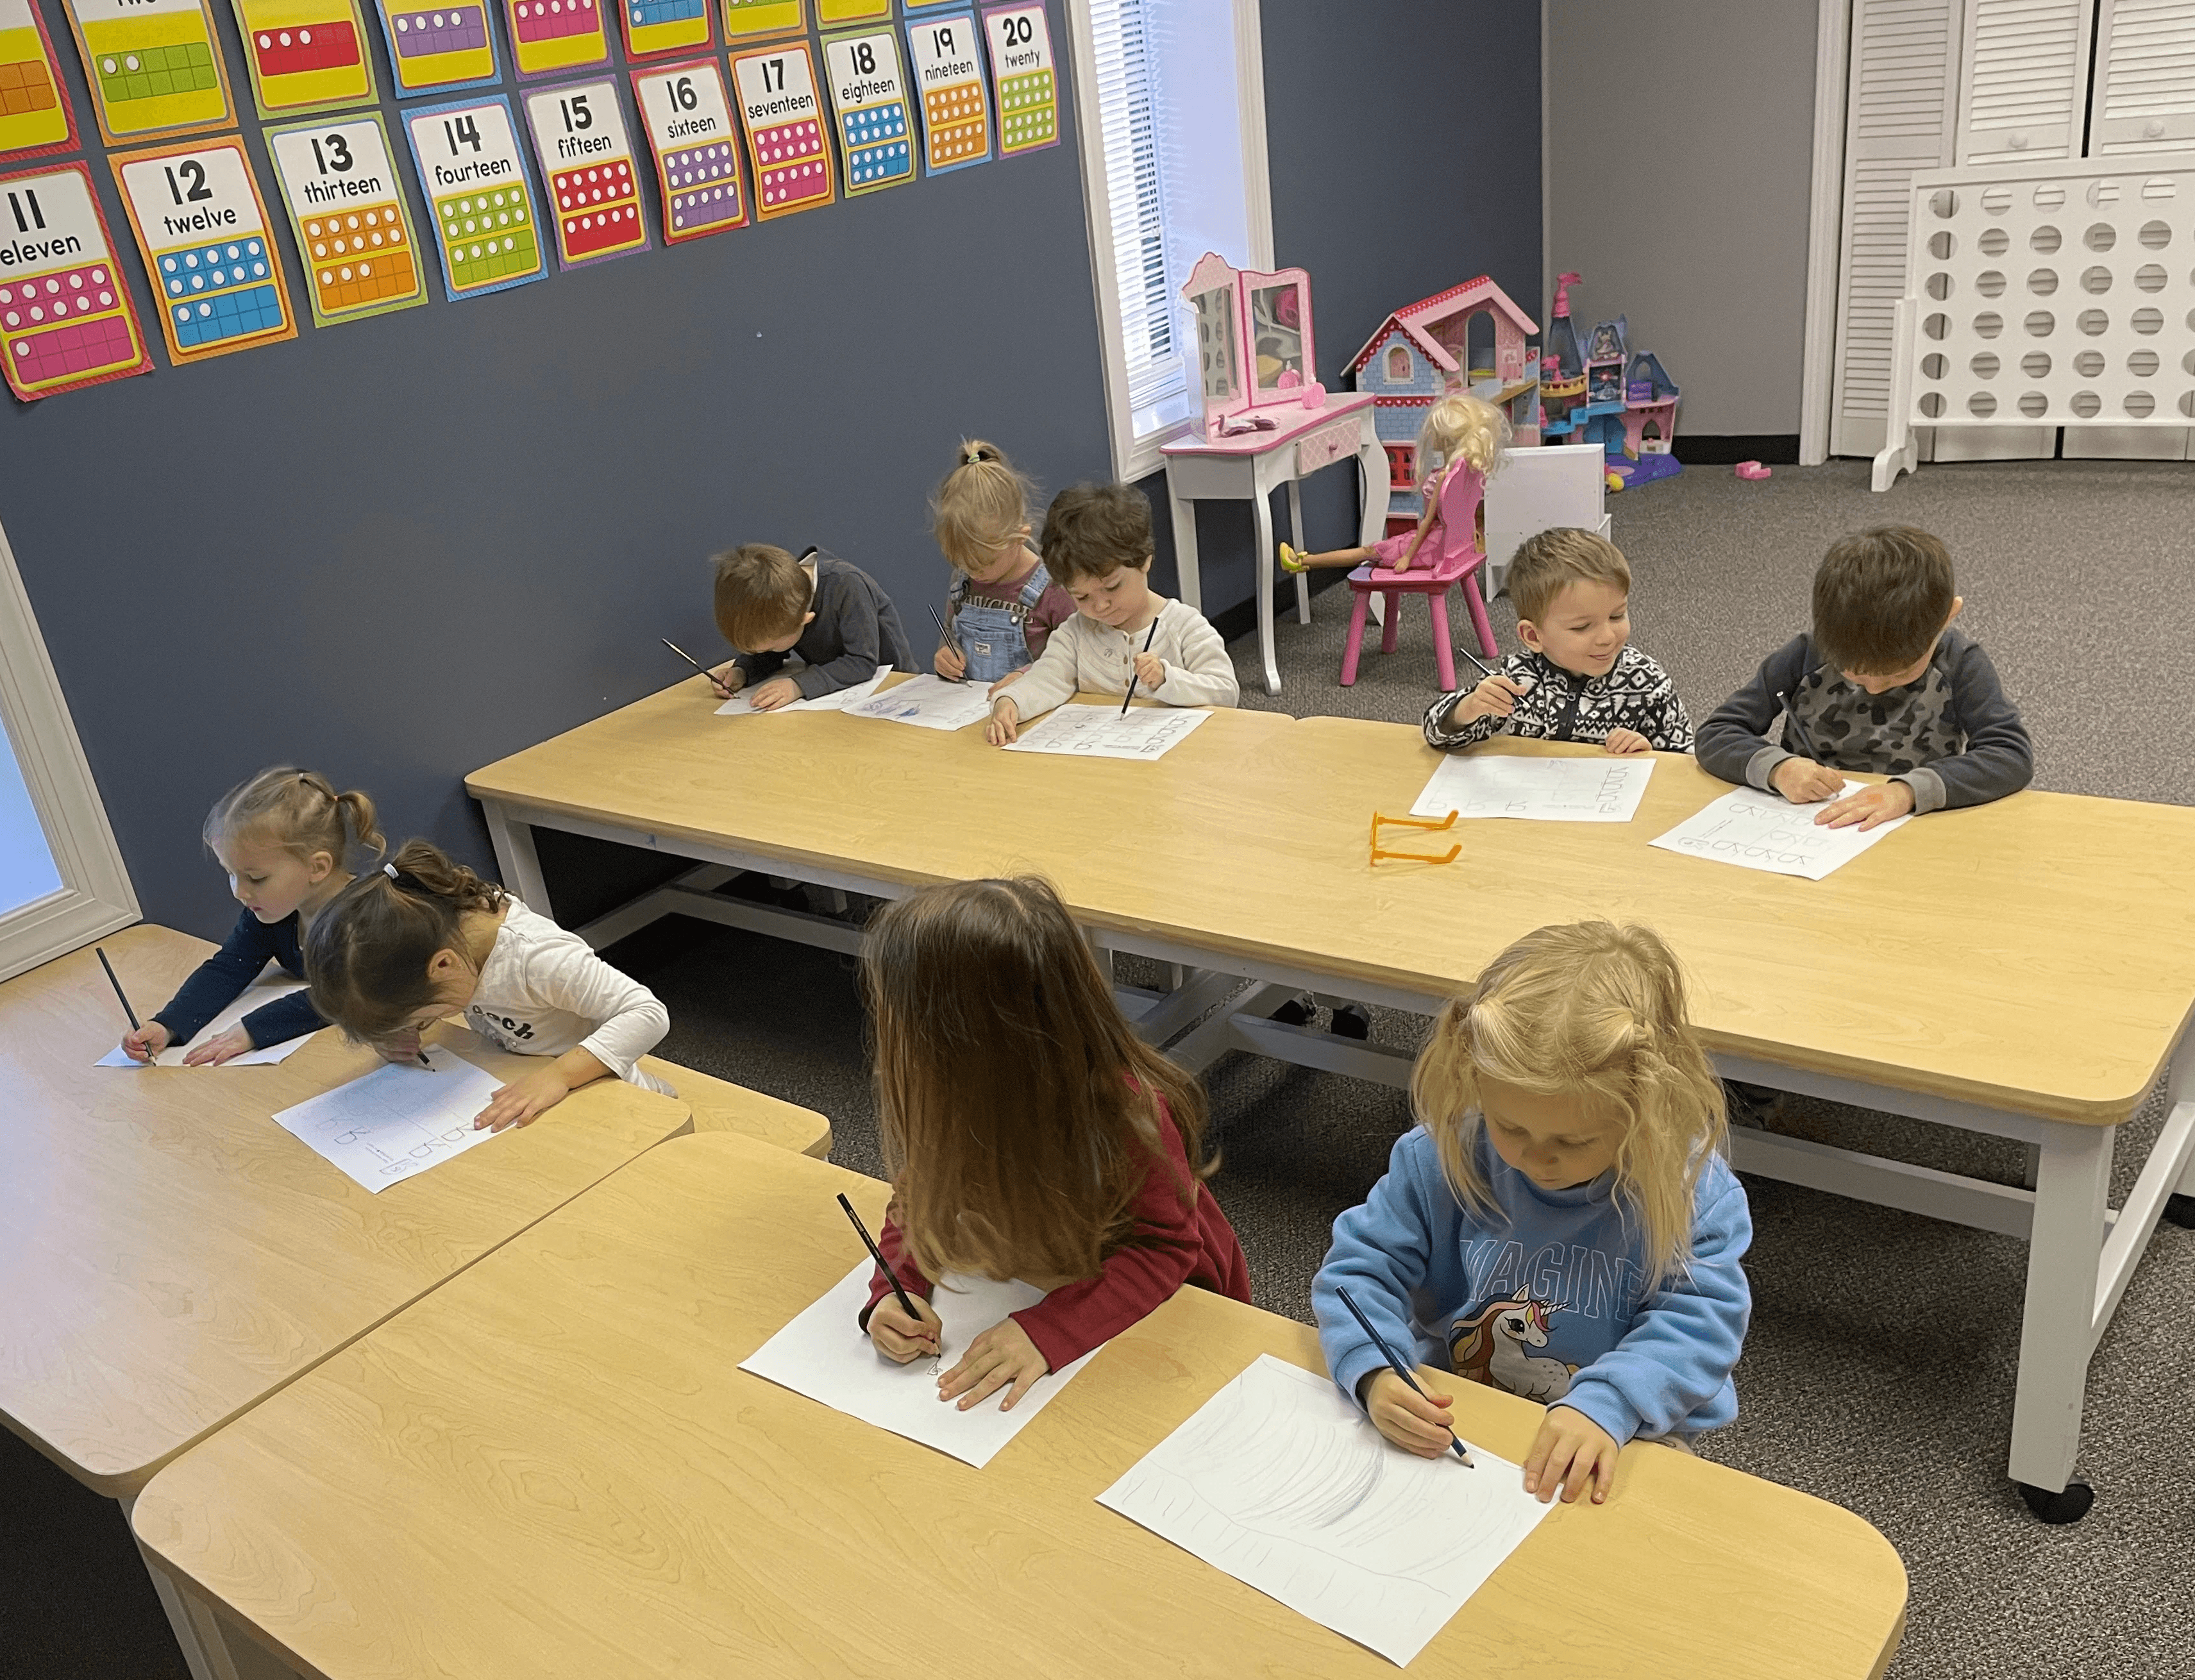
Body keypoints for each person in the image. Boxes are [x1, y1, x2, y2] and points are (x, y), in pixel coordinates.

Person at [1314, 921, 1751, 1506]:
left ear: (1649, 1107)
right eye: (1510, 1127)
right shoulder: (1441, 1156)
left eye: (1574, 1142)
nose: (1535, 1158)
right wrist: (1374, 1370)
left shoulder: (1690, 1189)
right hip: (1462, 1407)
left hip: (1628, 1425)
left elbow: (1699, 1327)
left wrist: (1610, 1404)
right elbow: (1358, 1273)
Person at [857, 876, 1252, 1410]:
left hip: (1163, 1311)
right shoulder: (952, 1092)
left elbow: (1166, 1248)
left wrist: (1048, 1330)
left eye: (904, 1021)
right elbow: (919, 1199)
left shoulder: (1124, 1114)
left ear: (972, 1039)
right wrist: (892, 1292)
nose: (893, 1037)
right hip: (1036, 1275)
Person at [304, 839, 674, 1132]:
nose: (421, 1025)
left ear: (443, 965)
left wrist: (560, 1075)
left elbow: (647, 1013)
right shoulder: (439, 942)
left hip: (605, 1087)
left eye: (420, 1018)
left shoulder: (534, 959)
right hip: (524, 1080)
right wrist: (395, 1033)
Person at [1696, 525, 2031, 830]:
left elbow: (2010, 755)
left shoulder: (1960, 663)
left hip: (1916, 829)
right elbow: (1717, 734)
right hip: (1810, 828)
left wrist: (1908, 792)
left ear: (1947, 618)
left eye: (1898, 673)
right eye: (1853, 672)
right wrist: (1777, 769)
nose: (1872, 687)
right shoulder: (1806, 655)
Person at [124, 768, 382, 1064]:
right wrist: (168, 1025)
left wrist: (252, 1030)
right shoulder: (274, 913)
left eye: (256, 878)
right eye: (231, 875)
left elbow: (342, 995)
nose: (238, 892)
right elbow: (229, 968)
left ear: (317, 868)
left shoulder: (367, 916)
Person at [983, 482, 1237, 745]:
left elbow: (1226, 693)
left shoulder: (1185, 626)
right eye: (1082, 597)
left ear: (1145, 559)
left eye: (1112, 587)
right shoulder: (1075, 634)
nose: (1101, 606)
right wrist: (1010, 701)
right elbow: (1047, 679)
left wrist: (1167, 679)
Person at [1422, 527, 1692, 755]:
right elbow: (1437, 735)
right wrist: (1468, 708)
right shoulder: (1519, 677)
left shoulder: (1646, 680)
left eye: (1617, 615)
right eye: (1582, 627)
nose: (1608, 638)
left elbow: (1686, 760)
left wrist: (1650, 754)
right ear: (1533, 636)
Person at [1279, 392, 1509, 576]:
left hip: (1432, 547)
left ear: (1448, 438)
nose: (1432, 435)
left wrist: (1408, 556)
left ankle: (1302, 561)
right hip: (1450, 545)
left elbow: (1428, 522)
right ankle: (1303, 561)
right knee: (1375, 548)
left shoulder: (1444, 478)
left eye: (1437, 432)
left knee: (1369, 551)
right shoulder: (1469, 470)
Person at [929, 439, 1074, 686]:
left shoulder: (1052, 588)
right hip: (970, 712)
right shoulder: (962, 582)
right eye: (965, 562)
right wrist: (947, 653)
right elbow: (951, 631)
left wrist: (1026, 676)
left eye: (986, 562)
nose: (975, 572)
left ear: (1020, 536)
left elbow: (1077, 657)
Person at [707, 542, 915, 710]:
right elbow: (774, 649)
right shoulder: (781, 599)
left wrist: (798, 686)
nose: (764, 652)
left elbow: (862, 662)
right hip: (839, 695)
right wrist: (743, 671)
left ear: (805, 620)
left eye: (768, 647)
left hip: (892, 689)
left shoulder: (848, 586)